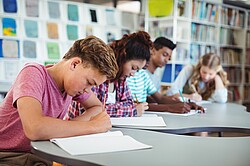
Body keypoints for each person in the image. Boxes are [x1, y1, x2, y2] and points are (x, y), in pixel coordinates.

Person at [0, 36, 118, 165]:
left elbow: (96, 107)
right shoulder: (33, 73)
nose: (87, 90)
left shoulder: (70, 87)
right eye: (89, 82)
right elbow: (34, 128)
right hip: (8, 154)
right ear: (75, 64)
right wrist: (93, 126)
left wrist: (64, 127)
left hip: (39, 154)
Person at [67, 31, 153, 118]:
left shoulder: (121, 81)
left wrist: (109, 108)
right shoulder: (97, 75)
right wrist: (131, 110)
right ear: (123, 56)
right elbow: (88, 111)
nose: (133, 74)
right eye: (133, 68)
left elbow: (129, 103)